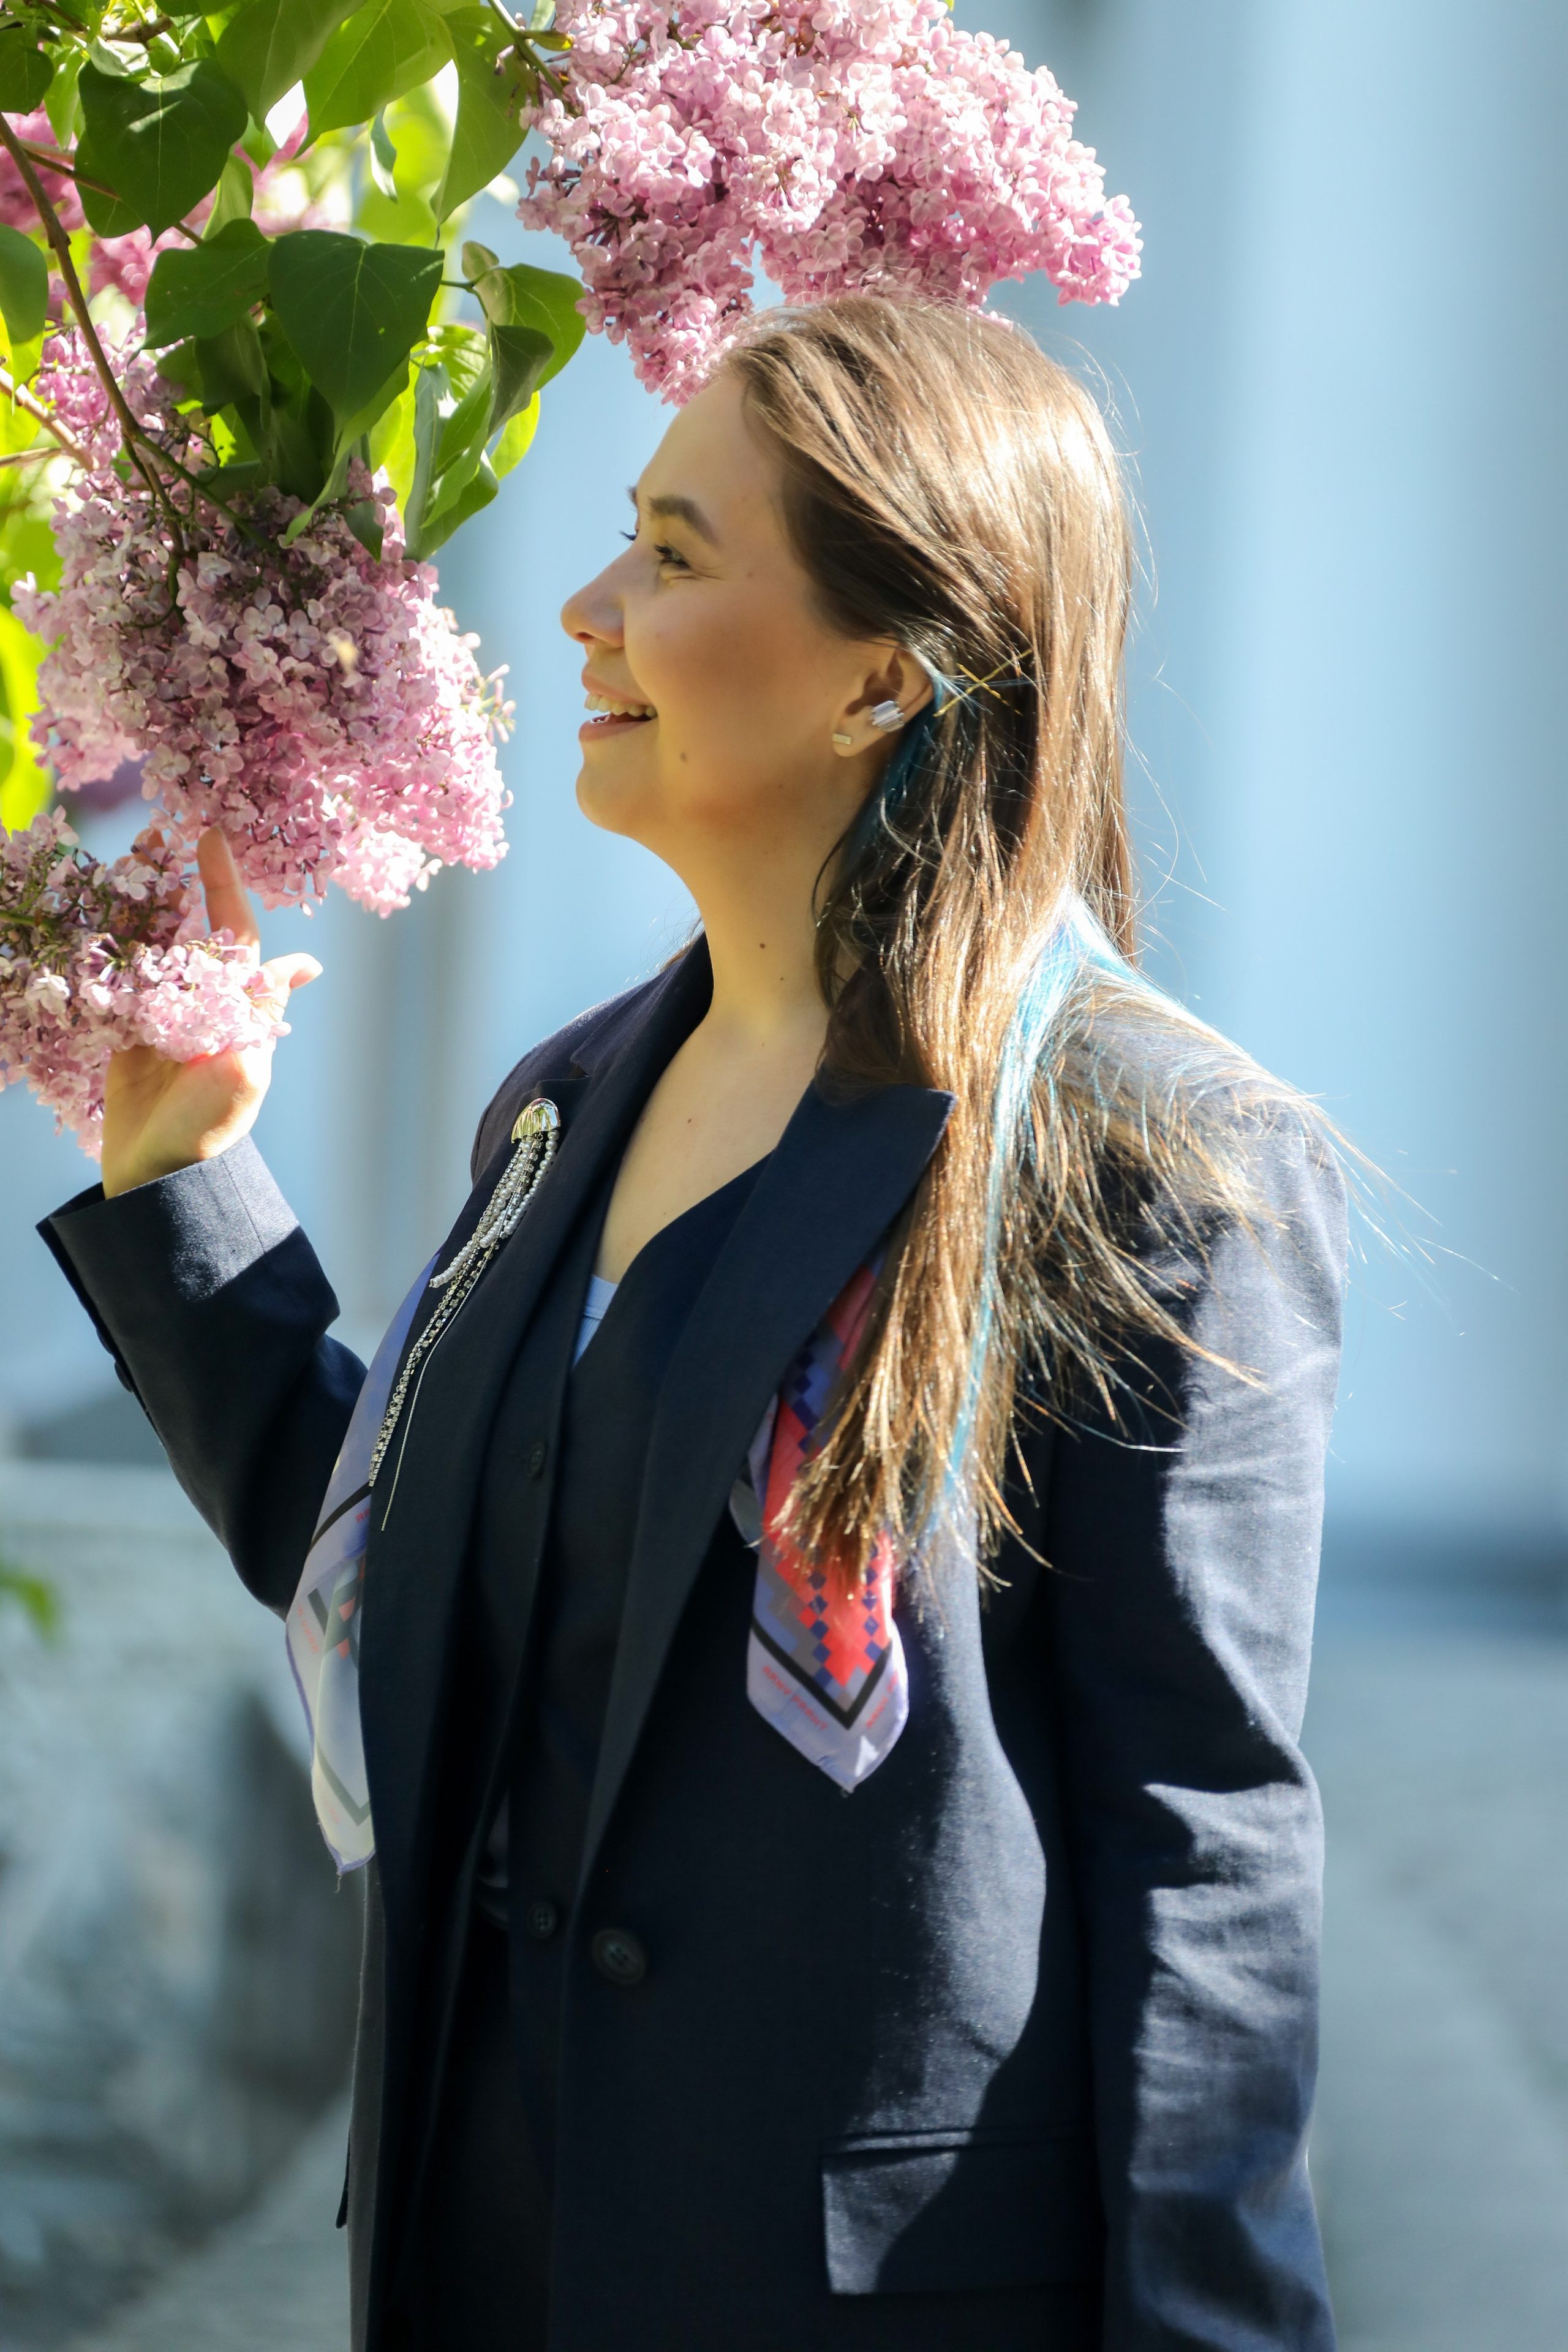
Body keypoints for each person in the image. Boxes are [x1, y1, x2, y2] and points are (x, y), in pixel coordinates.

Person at [39, 296, 1345, 2352]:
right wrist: (185, 1196)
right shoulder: (564, 1103)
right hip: (490, 2262)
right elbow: (421, 1600)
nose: (581, 603)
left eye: (669, 549)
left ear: (876, 681)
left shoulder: (1148, 1156)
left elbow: (1202, 1843)